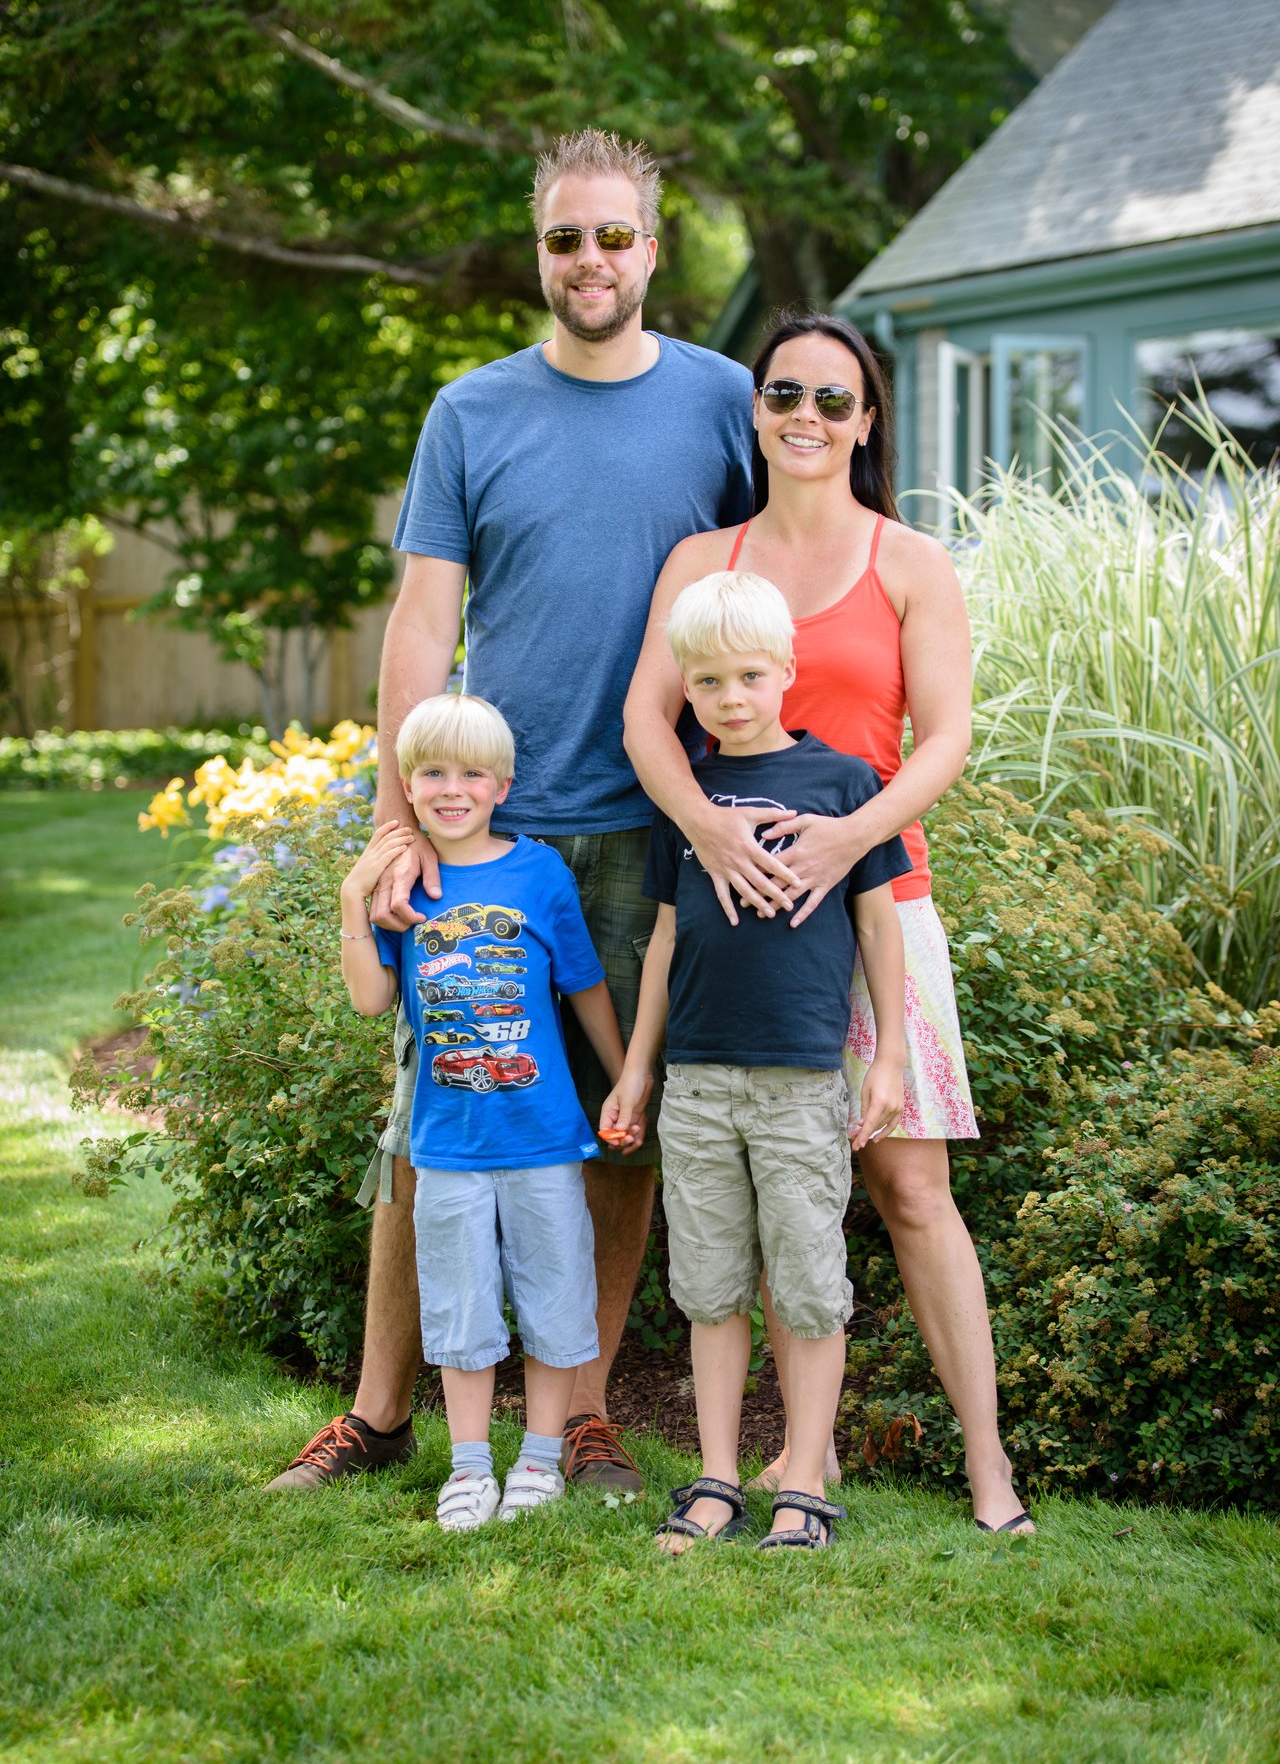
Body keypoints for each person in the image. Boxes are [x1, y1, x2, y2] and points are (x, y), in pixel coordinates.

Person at [266, 128, 753, 1493]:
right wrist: (394, 822)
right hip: (488, 820)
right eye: (562, 238)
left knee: (614, 1124)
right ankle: (376, 1415)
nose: (588, 259)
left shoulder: (724, 403)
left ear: (653, 249)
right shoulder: (470, 412)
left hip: (658, 819)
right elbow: (423, 623)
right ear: (538, 252)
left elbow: (769, 595)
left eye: (612, 236)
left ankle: (580, 1414)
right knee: (429, 1118)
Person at [622, 312, 1034, 1535]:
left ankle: (986, 1462)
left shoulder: (909, 561)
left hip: (875, 911)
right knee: (756, 1191)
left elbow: (947, 735)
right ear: (756, 408)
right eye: (782, 392)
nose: (805, 416)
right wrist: (704, 828)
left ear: (865, 422)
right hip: (738, 922)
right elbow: (650, 722)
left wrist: (854, 836)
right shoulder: (704, 557)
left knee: (910, 1190)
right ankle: (803, 1459)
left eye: (832, 400)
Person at [604, 572, 910, 1552]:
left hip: (797, 1077)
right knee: (707, 1284)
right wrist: (637, 1068)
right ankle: (717, 1479)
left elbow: (877, 924)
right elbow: (662, 941)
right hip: (696, 1078)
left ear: (784, 669)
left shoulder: (841, 785)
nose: (728, 697)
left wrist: (891, 1057)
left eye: (746, 675)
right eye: (705, 682)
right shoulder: (684, 798)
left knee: (811, 1282)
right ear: (683, 690)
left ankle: (804, 1485)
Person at [338, 693, 627, 1528]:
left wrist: (622, 1080)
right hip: (447, 1144)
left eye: (471, 772)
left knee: (553, 1296)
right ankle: (469, 1469)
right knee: (461, 1307)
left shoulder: (539, 873)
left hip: (543, 1139)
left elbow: (583, 985)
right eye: (432, 772)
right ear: (408, 782)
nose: (451, 788)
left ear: (503, 785)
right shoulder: (403, 882)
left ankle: (538, 1457)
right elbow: (369, 1000)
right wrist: (353, 899)